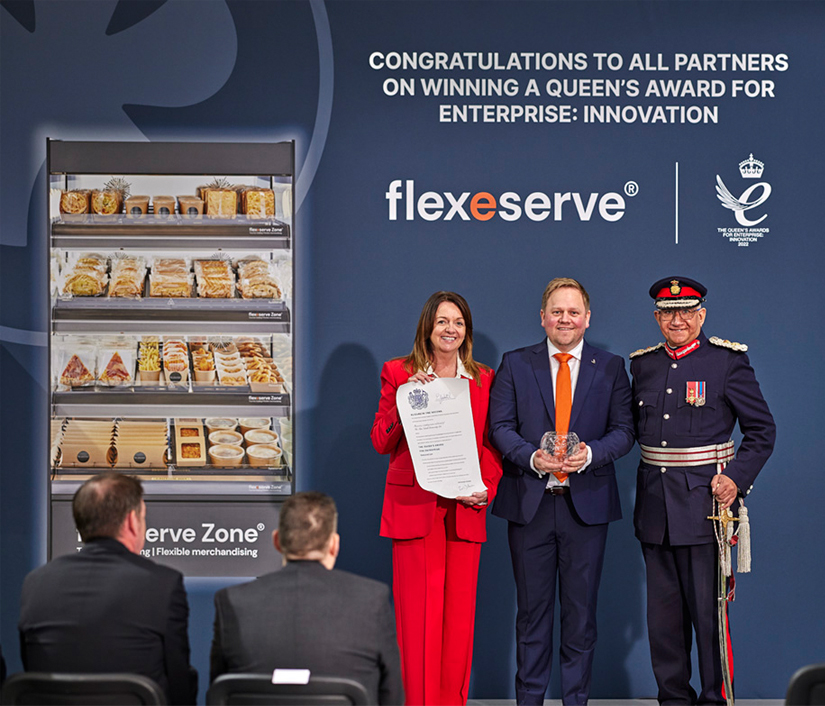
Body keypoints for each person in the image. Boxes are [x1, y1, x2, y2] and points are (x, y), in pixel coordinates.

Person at [630, 276, 776, 706]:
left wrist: (736, 477)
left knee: (709, 620)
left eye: (687, 311)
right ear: (657, 318)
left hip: (706, 508)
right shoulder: (643, 365)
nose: (678, 320)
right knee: (663, 622)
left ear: (702, 315)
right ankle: (673, 700)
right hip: (655, 508)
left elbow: (762, 431)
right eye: (668, 312)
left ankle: (715, 700)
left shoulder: (727, 363)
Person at [489, 277, 634, 706]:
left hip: (585, 509)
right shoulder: (515, 363)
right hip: (530, 506)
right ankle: (529, 701)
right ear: (543, 318)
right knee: (531, 618)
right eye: (557, 311)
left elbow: (625, 432)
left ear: (588, 319)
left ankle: (576, 702)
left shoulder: (610, 367)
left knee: (581, 618)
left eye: (573, 312)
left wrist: (590, 455)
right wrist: (531, 458)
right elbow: (499, 428)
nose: (565, 319)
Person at [371, 290, 503, 706]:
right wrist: (405, 399)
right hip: (415, 507)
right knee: (416, 621)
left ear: (467, 331)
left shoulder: (483, 379)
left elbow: (491, 446)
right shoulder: (398, 371)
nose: (451, 330)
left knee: (458, 624)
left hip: (464, 508)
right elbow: (380, 441)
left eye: (459, 322)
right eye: (443, 321)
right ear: (427, 327)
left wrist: (487, 487)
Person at [210, 491, 403, 706]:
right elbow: (392, 696)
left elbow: (218, 695)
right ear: (334, 544)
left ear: (277, 541)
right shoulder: (372, 599)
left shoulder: (232, 600)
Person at [18, 473, 196, 705]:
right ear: (132, 521)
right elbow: (179, 685)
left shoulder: (35, 582)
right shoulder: (163, 584)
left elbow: (32, 671)